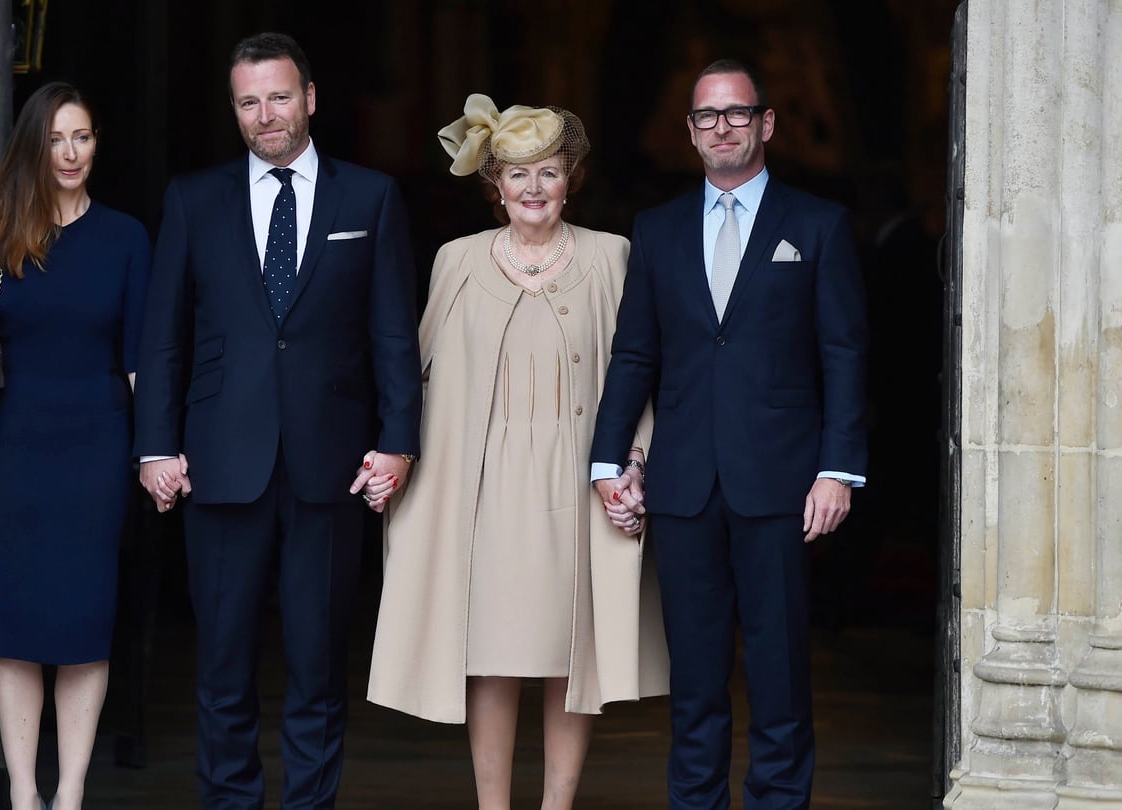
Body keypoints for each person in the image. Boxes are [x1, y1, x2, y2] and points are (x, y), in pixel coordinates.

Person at [131, 32, 423, 809]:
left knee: (319, 665)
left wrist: (398, 443)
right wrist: (155, 445)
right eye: (249, 101)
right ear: (235, 109)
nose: (266, 115)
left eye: (279, 97)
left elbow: (393, 333)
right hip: (221, 460)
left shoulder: (371, 198)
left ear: (311, 99)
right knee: (222, 664)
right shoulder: (194, 199)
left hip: (332, 467)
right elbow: (163, 336)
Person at [366, 94, 669, 810]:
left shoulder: (611, 256)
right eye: (517, 173)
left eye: (550, 172)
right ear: (493, 184)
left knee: (572, 658)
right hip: (481, 486)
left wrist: (636, 463)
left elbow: (641, 372)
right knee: (491, 658)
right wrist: (394, 456)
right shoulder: (456, 260)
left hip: (578, 480)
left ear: (572, 178)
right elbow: (413, 378)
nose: (534, 188)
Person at [590, 59, 868, 809]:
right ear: (689, 131)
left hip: (781, 483)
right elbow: (635, 354)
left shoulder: (816, 225)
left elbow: (843, 351)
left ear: (766, 123)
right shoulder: (656, 229)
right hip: (682, 486)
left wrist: (838, 469)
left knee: (779, 673)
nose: (722, 127)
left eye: (737, 114)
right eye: (707, 116)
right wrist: (608, 459)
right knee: (695, 681)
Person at [0, 82, 151, 810]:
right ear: (34, 146)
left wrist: (156, 452)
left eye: (81, 137)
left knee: (86, 623)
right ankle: (24, 792)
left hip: (98, 455)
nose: (70, 153)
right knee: (18, 624)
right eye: (55, 139)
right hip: (15, 456)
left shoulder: (124, 237)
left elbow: (141, 358)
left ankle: (71, 792)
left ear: (96, 142)